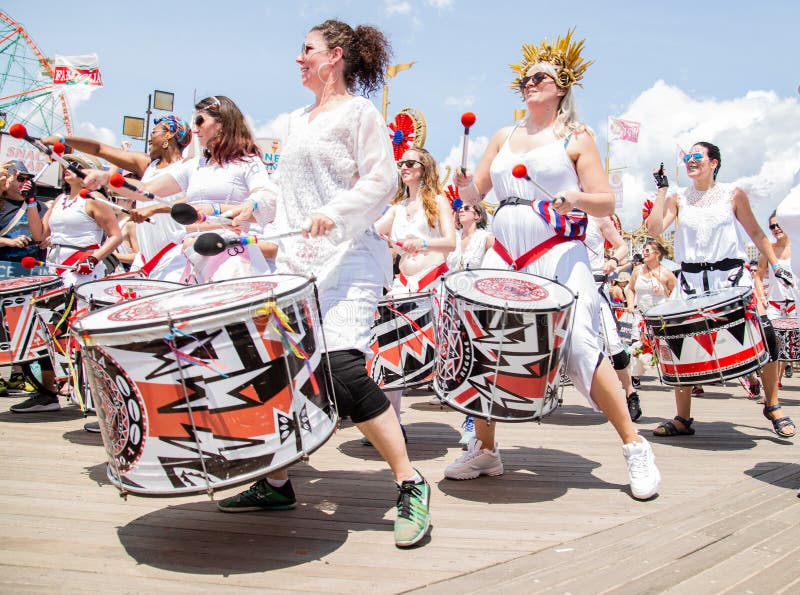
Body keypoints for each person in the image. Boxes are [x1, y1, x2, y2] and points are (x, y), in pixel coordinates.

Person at [225, 19, 432, 548]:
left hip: (350, 260)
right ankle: (275, 483)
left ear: (335, 56)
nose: (299, 58)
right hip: (296, 266)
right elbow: (280, 188)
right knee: (286, 374)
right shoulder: (295, 119)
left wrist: (334, 212)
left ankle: (410, 482)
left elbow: (381, 179)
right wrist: (252, 207)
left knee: (341, 371)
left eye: (307, 50)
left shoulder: (360, 113)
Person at [445, 30, 660, 500]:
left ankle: (633, 443)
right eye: (525, 78)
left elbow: (604, 202)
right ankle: (486, 449)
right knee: (489, 344)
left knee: (581, 345)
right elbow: (475, 195)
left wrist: (576, 198)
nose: (529, 82)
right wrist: (462, 184)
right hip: (504, 254)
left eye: (539, 77)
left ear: (561, 86)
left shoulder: (576, 137)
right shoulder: (504, 136)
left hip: (558, 250)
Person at [646, 145, 795, 438]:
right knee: (680, 343)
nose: (690, 161)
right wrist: (661, 190)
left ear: (713, 163)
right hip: (691, 280)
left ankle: (773, 405)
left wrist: (776, 266)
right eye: (686, 157)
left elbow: (755, 232)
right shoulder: (678, 198)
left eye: (697, 156)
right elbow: (653, 230)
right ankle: (682, 418)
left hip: (730, 278)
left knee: (764, 334)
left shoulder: (733, 193)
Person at [85, 97, 274, 284]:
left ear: (222, 123)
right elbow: (146, 189)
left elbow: (267, 197)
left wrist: (230, 207)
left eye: (200, 121)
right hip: (189, 252)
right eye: (194, 122)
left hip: (228, 253)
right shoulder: (195, 166)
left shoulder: (247, 163)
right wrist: (107, 180)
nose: (195, 128)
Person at [11, 155, 122, 414]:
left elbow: (115, 236)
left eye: (73, 167)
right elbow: (40, 235)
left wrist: (94, 257)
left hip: (83, 273)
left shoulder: (94, 201)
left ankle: (95, 398)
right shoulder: (60, 201)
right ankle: (48, 393)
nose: (67, 171)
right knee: (50, 333)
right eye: (65, 168)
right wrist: (30, 201)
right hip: (56, 270)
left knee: (79, 333)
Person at [42, 116, 192, 280]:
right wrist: (63, 139)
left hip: (174, 254)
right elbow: (100, 149)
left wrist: (155, 209)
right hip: (144, 258)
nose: (150, 136)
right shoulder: (146, 164)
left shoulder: (187, 167)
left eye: (154, 132)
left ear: (169, 135)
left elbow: (196, 203)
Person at [373, 147, 456, 430]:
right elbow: (373, 232)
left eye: (410, 162)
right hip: (402, 285)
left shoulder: (437, 201)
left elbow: (450, 242)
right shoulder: (396, 209)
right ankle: (392, 423)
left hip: (433, 281)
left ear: (424, 168)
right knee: (390, 349)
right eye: (401, 163)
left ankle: (472, 422)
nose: (404, 167)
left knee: (447, 351)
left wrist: (421, 243)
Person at [445, 201, 494, 444]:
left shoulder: (486, 238)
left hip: (477, 305)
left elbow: (497, 268)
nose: (460, 210)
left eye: (466, 208)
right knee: (458, 363)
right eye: (459, 208)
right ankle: (465, 411)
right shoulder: (451, 238)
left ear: (477, 214)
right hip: (452, 304)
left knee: (477, 363)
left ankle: (472, 420)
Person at [585, 215, 641, 420]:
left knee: (614, 346)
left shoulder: (598, 219)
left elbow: (622, 246)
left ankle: (630, 393)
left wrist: (613, 260)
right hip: (567, 287)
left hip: (595, 286)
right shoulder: (557, 216)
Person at [625, 239, 676, 389]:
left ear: (657, 254)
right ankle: (634, 376)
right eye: (644, 250)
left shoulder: (667, 273)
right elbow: (630, 289)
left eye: (648, 250)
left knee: (665, 346)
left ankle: (673, 374)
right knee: (638, 343)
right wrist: (629, 304)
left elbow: (676, 294)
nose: (644, 253)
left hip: (661, 317)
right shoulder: (637, 270)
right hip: (641, 315)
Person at [755, 213, 795, 381]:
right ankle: (772, 388)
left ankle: (785, 369)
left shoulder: (797, 248)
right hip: (774, 304)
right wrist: (762, 298)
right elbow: (758, 276)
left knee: (795, 345)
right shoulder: (767, 250)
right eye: (772, 226)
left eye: (778, 225)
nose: (776, 229)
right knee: (770, 343)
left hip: (795, 303)